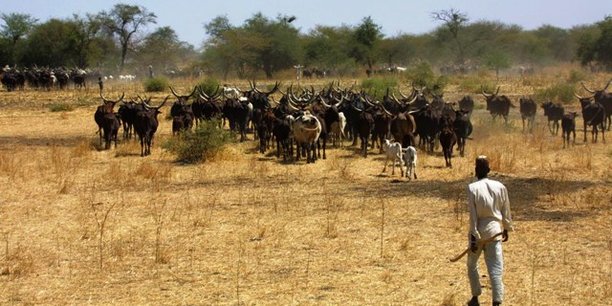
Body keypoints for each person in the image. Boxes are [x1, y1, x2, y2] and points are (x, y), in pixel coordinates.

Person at [466, 156, 514, 306]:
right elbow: (506, 210)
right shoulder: (500, 187)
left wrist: (474, 237)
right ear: (489, 170)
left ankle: (475, 297)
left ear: (475, 170)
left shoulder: (472, 188)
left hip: (479, 232)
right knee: (495, 268)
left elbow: (473, 216)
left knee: (472, 264)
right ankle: (497, 301)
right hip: (495, 232)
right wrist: (506, 228)